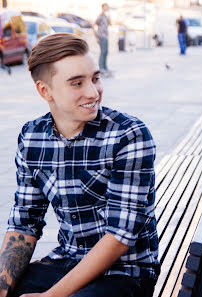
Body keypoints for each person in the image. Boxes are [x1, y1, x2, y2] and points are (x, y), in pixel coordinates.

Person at [0, 33, 160, 297]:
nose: (93, 91)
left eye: (95, 78)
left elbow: (120, 236)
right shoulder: (32, 137)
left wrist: (50, 296)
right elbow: (24, 223)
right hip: (65, 261)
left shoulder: (127, 134)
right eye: (77, 83)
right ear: (44, 90)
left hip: (126, 273)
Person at [94, 3, 111, 75]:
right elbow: (95, 25)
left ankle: (105, 67)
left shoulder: (106, 16)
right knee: (103, 52)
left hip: (106, 36)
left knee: (106, 52)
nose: (107, 8)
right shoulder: (100, 16)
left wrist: (109, 18)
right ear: (103, 7)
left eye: (107, 7)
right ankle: (101, 68)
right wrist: (96, 37)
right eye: (106, 7)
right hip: (101, 36)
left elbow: (110, 24)